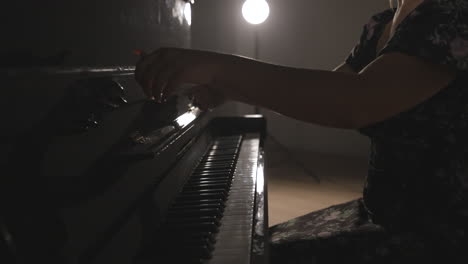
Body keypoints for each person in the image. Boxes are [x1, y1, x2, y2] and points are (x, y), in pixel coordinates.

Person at [135, 0, 468, 262]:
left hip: (437, 232)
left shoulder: (453, 15)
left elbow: (351, 102)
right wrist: (231, 87)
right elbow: (327, 88)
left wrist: (219, 69)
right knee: (257, 246)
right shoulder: (382, 23)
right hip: (379, 210)